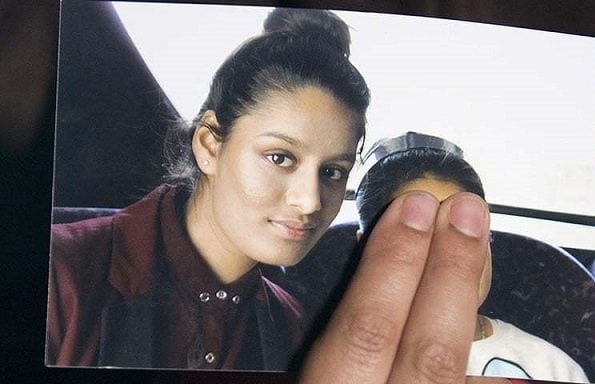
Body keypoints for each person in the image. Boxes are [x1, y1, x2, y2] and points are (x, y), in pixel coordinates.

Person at [46, 8, 370, 370]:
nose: (310, 201)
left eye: (332, 171)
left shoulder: (290, 328)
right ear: (209, 145)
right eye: (280, 158)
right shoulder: (59, 275)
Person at [350, 132, 589, 383]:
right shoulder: (343, 364)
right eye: (418, 232)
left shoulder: (554, 369)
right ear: (364, 250)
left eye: (466, 230)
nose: (448, 259)